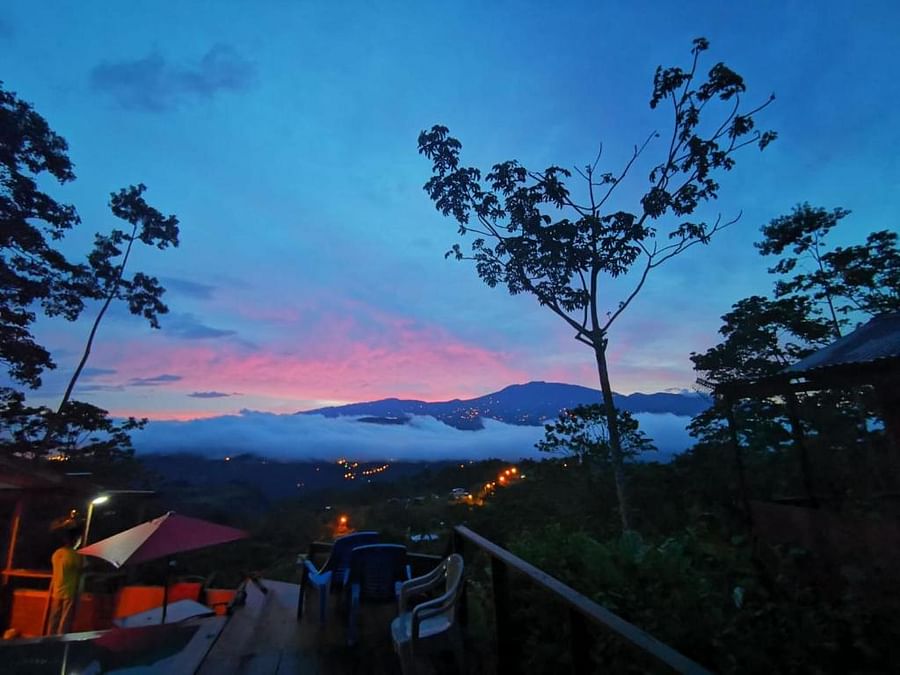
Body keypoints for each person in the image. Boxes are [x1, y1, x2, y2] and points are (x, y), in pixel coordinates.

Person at [47, 527, 83, 634]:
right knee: (65, 620)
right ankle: (60, 640)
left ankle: (49, 637)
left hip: (57, 590)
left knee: (54, 618)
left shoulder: (56, 553)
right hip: (69, 591)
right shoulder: (74, 555)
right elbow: (81, 568)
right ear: (75, 540)